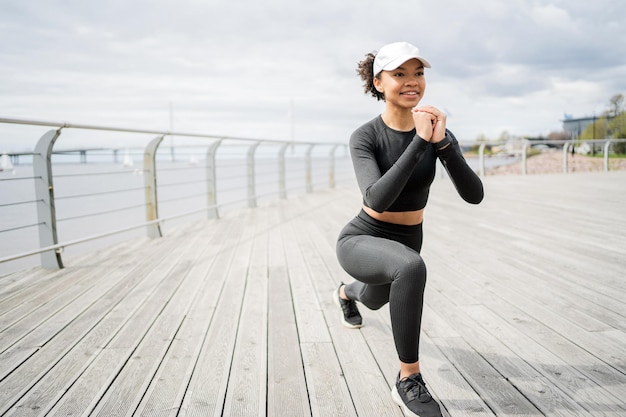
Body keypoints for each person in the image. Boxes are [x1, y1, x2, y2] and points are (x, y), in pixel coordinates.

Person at [334, 41, 484, 417]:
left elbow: (474, 195)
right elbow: (376, 197)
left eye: (418, 73)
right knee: (410, 268)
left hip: (407, 239)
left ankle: (345, 293)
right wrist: (419, 142)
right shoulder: (365, 137)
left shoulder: (435, 133)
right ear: (379, 82)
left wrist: (443, 145)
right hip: (362, 237)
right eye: (399, 74)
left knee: (374, 299)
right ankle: (408, 378)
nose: (411, 81)